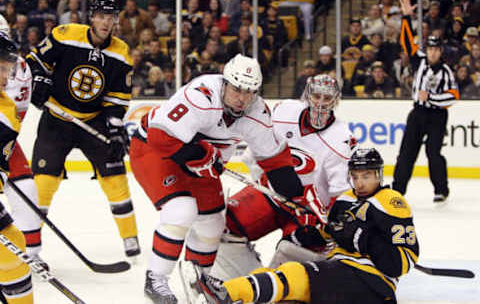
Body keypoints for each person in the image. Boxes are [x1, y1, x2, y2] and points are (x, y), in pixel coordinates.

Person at [129, 53, 312, 303]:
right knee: (182, 210)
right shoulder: (201, 95)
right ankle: (156, 279)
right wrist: (200, 154)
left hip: (200, 162)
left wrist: (296, 199)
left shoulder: (257, 111)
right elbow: (161, 138)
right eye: (237, 89)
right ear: (225, 83)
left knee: (214, 222)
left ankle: (199, 275)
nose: (242, 98)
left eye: (249, 92)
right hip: (155, 151)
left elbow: (275, 160)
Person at [185, 148, 420, 304]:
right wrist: (310, 235)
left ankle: (225, 294)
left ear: (379, 174)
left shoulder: (391, 203)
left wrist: (359, 236)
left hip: (372, 283)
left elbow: (402, 262)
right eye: (356, 176)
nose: (360, 182)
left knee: (295, 273)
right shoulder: (346, 200)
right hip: (340, 272)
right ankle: (230, 289)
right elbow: (332, 232)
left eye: (366, 176)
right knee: (278, 281)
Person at [25, 0, 141, 260]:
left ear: (115, 20)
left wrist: (113, 125)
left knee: (116, 179)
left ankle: (130, 237)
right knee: (43, 185)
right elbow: (33, 61)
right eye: (100, 16)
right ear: (91, 17)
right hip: (56, 121)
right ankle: (31, 247)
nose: (105, 21)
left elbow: (116, 99)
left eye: (110, 17)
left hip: (94, 119)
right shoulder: (64, 34)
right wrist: (40, 78)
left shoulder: (120, 52)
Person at [211, 74, 356, 280]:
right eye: (316, 96)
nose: (321, 104)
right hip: (270, 196)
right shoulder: (283, 111)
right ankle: (243, 279)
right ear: (307, 95)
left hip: (308, 214)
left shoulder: (341, 138)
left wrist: (328, 223)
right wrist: (265, 180)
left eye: (327, 98)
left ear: (336, 100)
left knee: (294, 252)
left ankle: (272, 288)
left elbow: (340, 193)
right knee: (221, 225)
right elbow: (254, 153)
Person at [392, 0, 459, 204]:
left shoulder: (446, 71)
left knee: (433, 152)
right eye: (430, 49)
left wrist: (431, 97)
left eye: (436, 49)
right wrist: (405, 17)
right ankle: (397, 190)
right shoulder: (419, 60)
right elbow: (406, 41)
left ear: (441, 51)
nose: (432, 52)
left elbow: (453, 96)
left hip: (437, 116)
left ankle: (441, 189)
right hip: (418, 113)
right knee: (406, 152)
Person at [0, 15, 46, 270]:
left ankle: (31, 254)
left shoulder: (20, 68)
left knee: (27, 189)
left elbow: (14, 118)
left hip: (2, 141)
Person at [0, 32, 34, 304]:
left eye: (8, 69)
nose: (5, 77)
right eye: (0, 68)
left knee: (13, 242)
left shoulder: (7, 111)